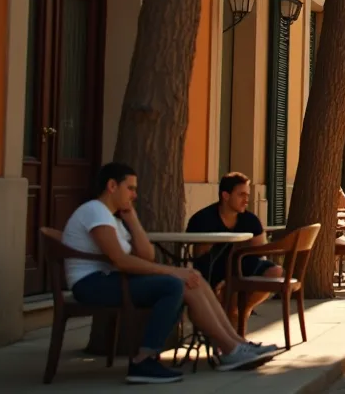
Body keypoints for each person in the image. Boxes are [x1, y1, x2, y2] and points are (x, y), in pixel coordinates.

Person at [63, 163, 277, 384]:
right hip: (91, 285)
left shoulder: (114, 218)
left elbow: (147, 256)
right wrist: (174, 271)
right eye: (130, 188)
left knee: (194, 279)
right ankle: (143, 361)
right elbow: (121, 260)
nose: (135, 195)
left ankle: (235, 345)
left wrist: (132, 219)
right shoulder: (95, 211)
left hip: (111, 280)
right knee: (175, 284)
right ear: (111, 186)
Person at [185, 172, 285, 327]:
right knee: (224, 295)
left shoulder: (250, 220)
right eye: (241, 195)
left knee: (275, 273)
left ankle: (243, 309)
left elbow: (260, 253)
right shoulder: (204, 219)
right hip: (214, 269)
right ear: (225, 195)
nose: (246, 200)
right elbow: (200, 257)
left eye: (248, 195)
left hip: (242, 266)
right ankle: (230, 331)